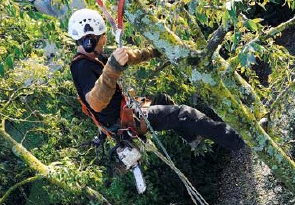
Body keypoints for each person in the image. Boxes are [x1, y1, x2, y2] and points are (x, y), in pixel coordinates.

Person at [68, 8, 247, 153]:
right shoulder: (81, 67)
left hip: (124, 112)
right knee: (183, 114)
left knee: (163, 100)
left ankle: (194, 137)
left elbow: (128, 57)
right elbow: (96, 103)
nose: (104, 41)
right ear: (89, 41)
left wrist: (156, 51)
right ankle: (239, 141)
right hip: (123, 122)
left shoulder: (94, 58)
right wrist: (113, 67)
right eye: (102, 38)